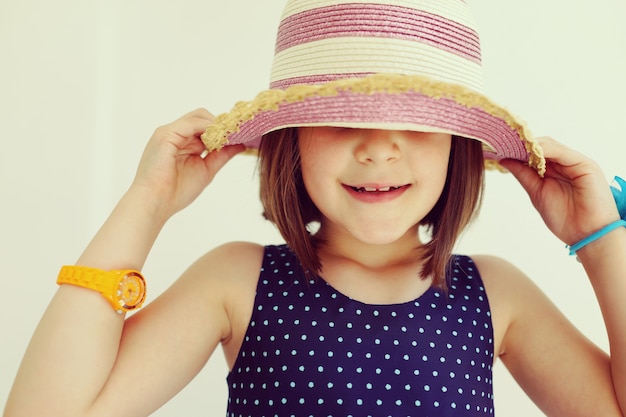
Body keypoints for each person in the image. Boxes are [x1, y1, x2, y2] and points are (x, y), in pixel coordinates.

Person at [4, 1, 626, 416]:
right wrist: (146, 204)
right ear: (290, 141)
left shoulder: (494, 295)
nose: (379, 149)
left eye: (417, 121)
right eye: (336, 116)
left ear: (457, 148)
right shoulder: (237, 282)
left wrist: (601, 241)